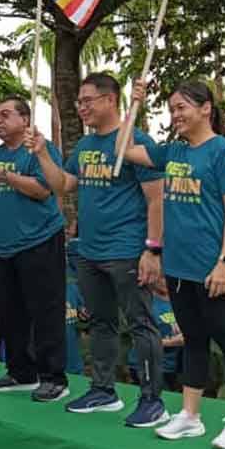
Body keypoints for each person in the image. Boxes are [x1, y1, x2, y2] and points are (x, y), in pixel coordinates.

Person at [26, 72, 168, 426]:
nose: (81, 107)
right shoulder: (86, 147)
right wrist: (43, 153)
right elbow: (63, 185)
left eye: (87, 100)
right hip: (89, 252)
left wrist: (152, 250)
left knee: (141, 324)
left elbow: (157, 201)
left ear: (110, 100)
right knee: (101, 323)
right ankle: (104, 390)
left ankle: (152, 399)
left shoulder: (135, 141)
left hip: (127, 251)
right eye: (79, 101)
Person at [120, 79, 225, 449]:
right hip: (179, 271)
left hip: (215, 269)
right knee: (194, 341)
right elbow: (124, 149)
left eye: (182, 107)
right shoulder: (173, 152)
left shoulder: (223, 152)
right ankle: (191, 416)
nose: (175, 114)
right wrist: (134, 105)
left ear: (206, 108)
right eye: (172, 108)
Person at [0, 96, 68, 402]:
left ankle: (53, 377)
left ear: (25, 120)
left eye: (5, 114)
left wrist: (6, 176)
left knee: (45, 311)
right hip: (4, 246)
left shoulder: (39, 148)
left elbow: (43, 190)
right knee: (11, 312)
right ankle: (20, 372)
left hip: (40, 241)